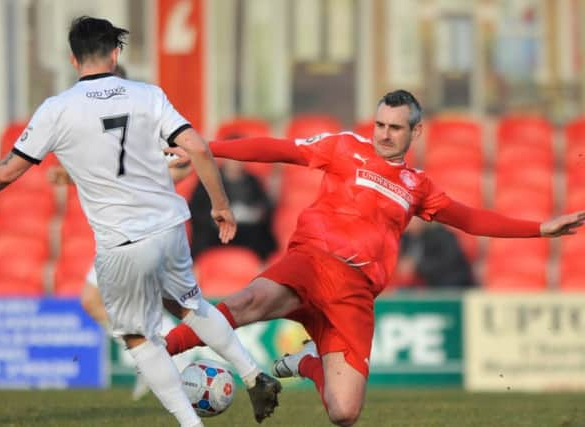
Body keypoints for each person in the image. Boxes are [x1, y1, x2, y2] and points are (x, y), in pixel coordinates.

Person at [162, 89, 585, 426]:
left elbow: (469, 218)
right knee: (245, 303)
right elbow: (279, 149)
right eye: (380, 124)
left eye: (395, 128)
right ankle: (159, 351)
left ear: (414, 133)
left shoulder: (418, 186)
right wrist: (206, 149)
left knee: (344, 413)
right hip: (311, 262)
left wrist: (539, 228)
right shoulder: (344, 147)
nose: (384, 134)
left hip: (355, 295)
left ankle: (306, 363)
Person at [0, 16, 281, 427]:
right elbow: (196, 147)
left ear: (72, 59)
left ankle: (190, 424)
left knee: (137, 336)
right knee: (187, 305)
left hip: (123, 242)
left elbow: (6, 172)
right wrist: (220, 205)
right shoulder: (149, 95)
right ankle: (252, 374)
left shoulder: (57, 109)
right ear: (115, 53)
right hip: (171, 227)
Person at [49, 144, 195, 401]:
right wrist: (71, 176)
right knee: (93, 302)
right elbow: (103, 176)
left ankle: (166, 355)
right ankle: (152, 358)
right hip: (116, 238)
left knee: (150, 303)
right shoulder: (117, 143)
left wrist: (192, 157)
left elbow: (178, 172)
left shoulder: (138, 142)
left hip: (139, 239)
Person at [189, 155, 276, 260]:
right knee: (203, 237)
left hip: (246, 229)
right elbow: (196, 209)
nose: (236, 163)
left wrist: (255, 213)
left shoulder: (252, 180)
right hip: (216, 230)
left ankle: (261, 266)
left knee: (262, 238)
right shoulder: (209, 180)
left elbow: (264, 206)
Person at [390, 218, 475, 290]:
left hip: (454, 285)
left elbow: (449, 262)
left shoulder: (441, 235)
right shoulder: (407, 238)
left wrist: (417, 266)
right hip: (428, 287)